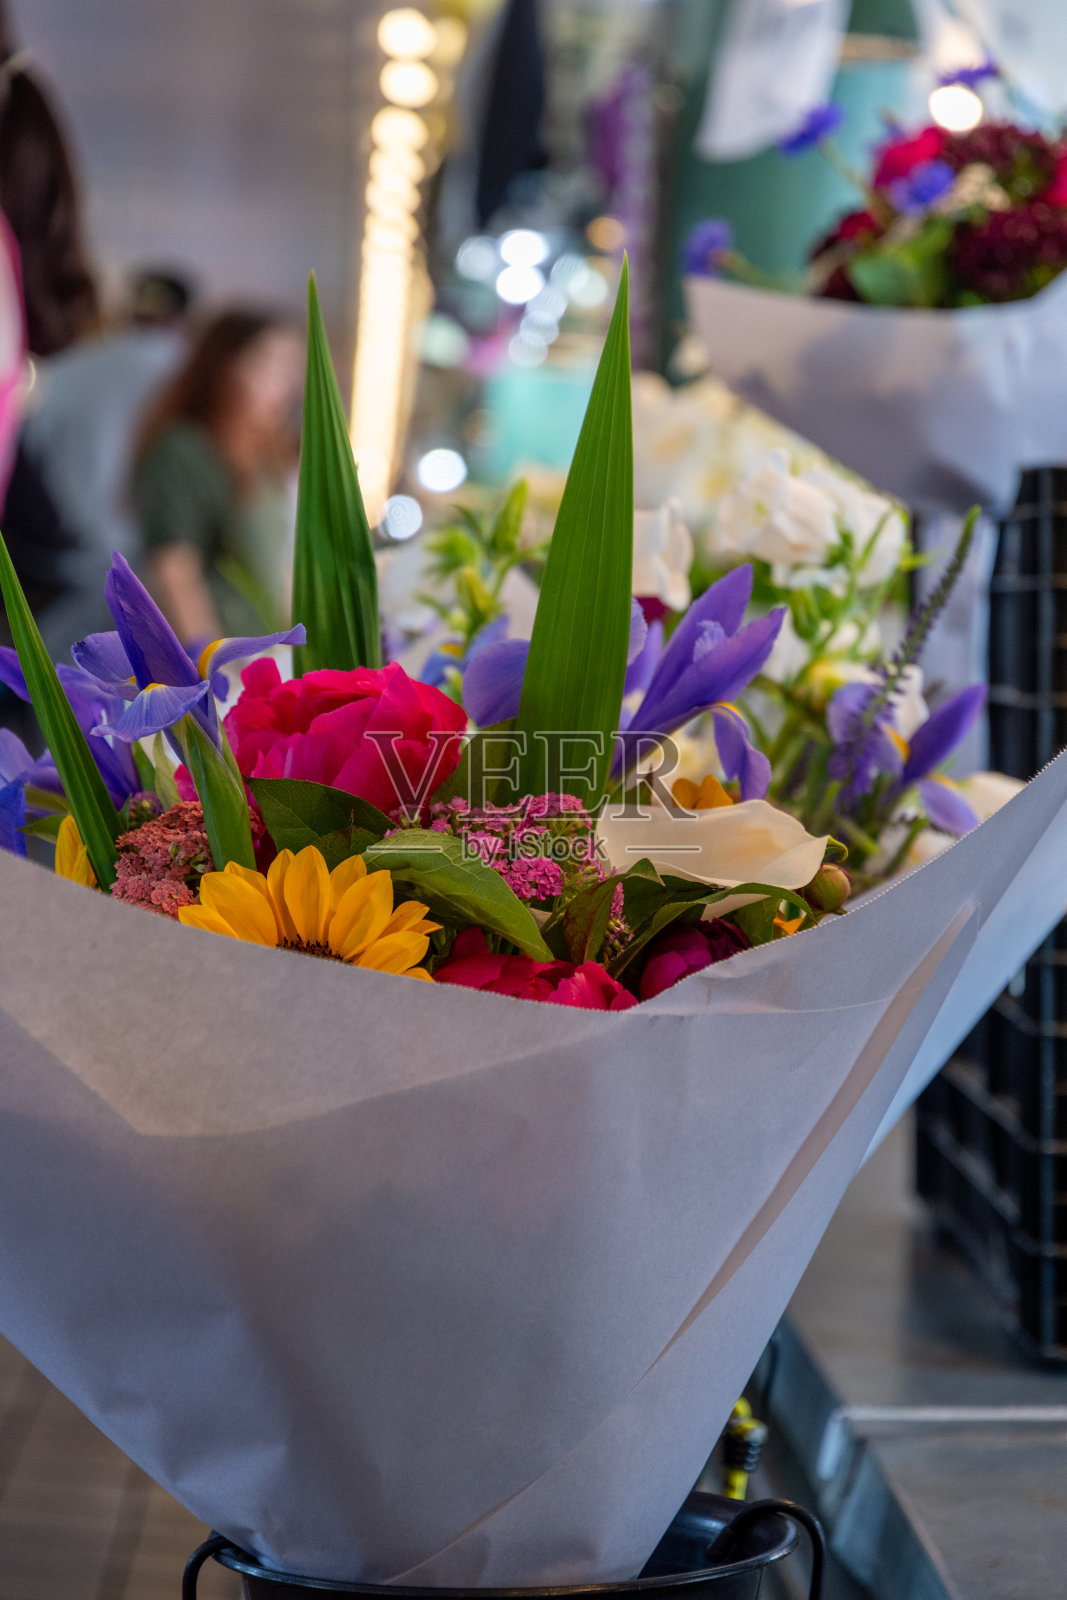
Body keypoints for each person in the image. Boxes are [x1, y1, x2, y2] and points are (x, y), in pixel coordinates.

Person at [18, 266, 197, 657]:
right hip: (151, 571)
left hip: (64, 559)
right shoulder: (189, 374)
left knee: (57, 693)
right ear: (184, 317)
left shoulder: (72, 365)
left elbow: (29, 444)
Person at [132, 309, 304, 643]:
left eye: (292, 368)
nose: (286, 383)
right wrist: (214, 665)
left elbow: (271, 567)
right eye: (270, 365)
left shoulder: (263, 456)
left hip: (260, 653)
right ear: (225, 368)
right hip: (219, 660)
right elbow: (174, 570)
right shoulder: (185, 451)